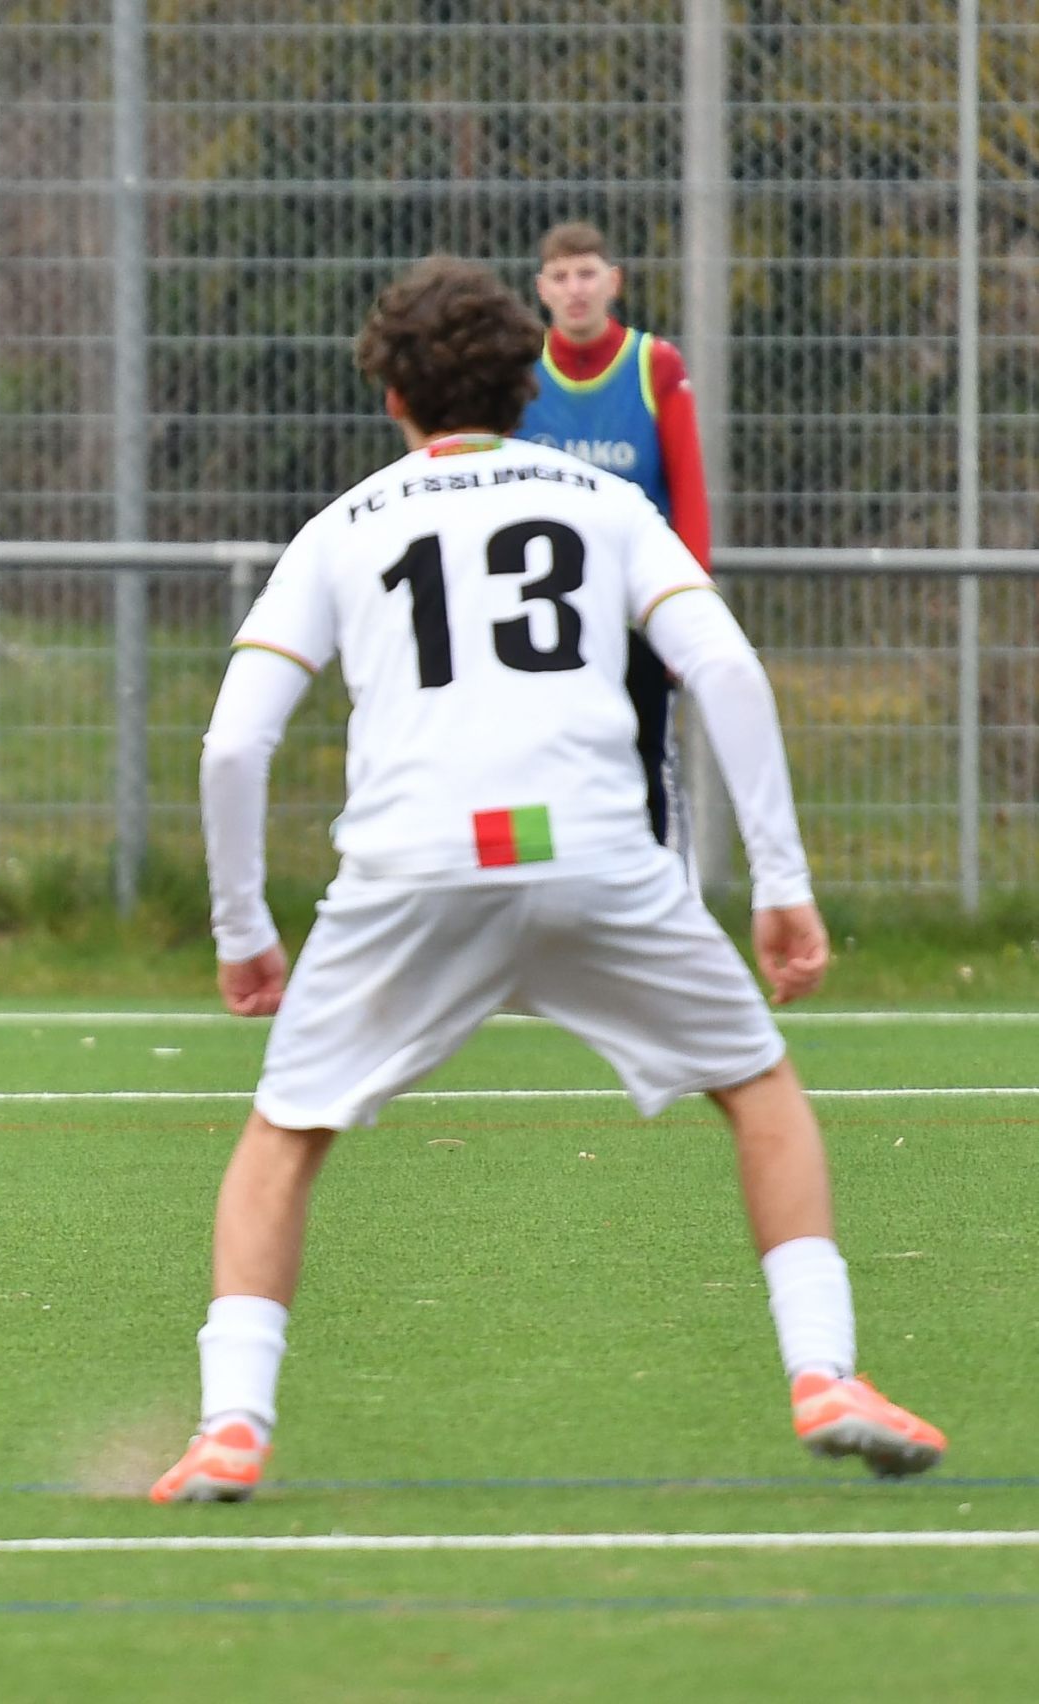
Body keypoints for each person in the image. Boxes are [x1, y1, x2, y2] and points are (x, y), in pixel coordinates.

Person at [149, 257, 943, 1504]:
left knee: (285, 1136)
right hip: (593, 851)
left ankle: (231, 1427)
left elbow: (234, 745)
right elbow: (727, 672)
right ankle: (825, 1375)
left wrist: (242, 928)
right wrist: (780, 882)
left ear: (393, 396)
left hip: (412, 865)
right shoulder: (605, 505)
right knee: (759, 1089)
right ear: (528, 389)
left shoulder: (342, 527)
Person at [518, 220, 712, 851]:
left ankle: (666, 891)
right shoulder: (521, 374)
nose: (575, 289)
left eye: (587, 274)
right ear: (542, 289)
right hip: (545, 624)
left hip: (635, 617)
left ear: (614, 283)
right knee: (537, 767)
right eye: (561, 276)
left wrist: (687, 615)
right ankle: (538, 891)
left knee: (645, 762)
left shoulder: (653, 365)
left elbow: (689, 497)